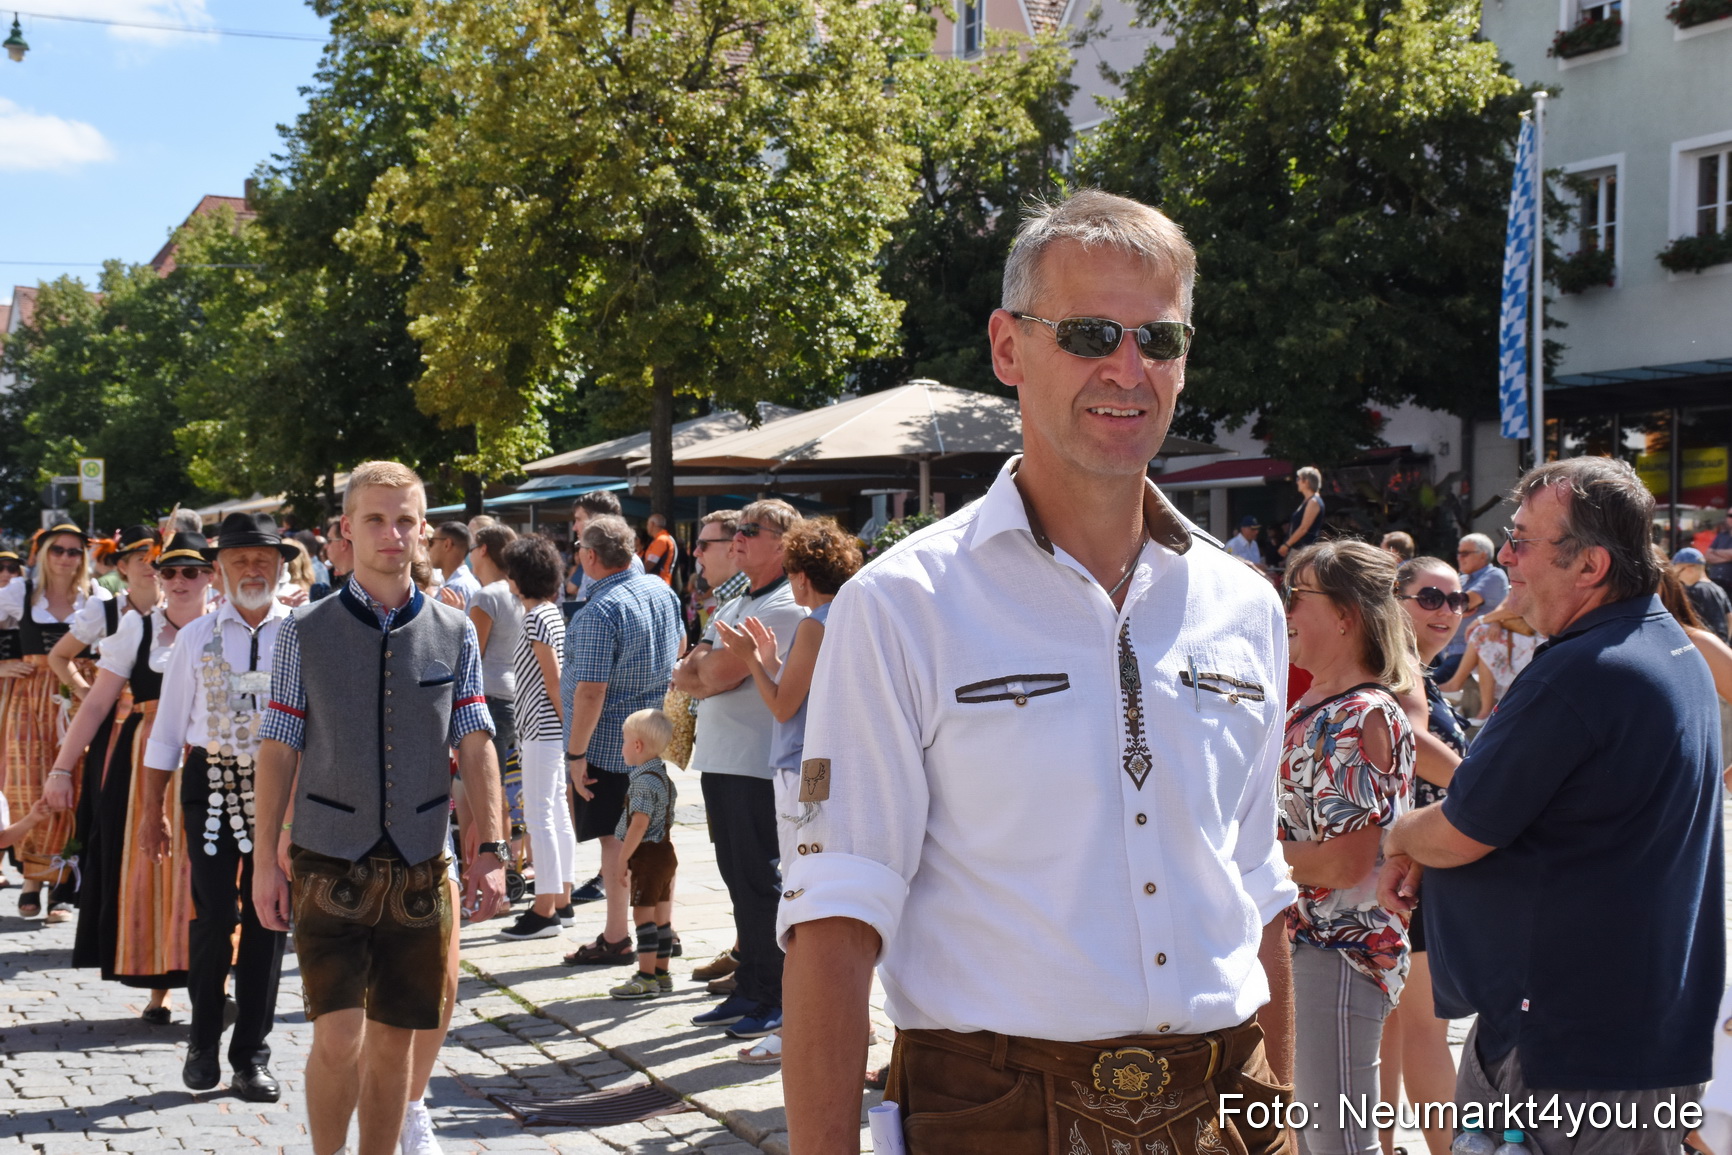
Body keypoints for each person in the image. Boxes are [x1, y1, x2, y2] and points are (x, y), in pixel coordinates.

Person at [780, 190, 1296, 1155]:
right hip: (999, 1111)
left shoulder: (1246, 604)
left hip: (1234, 1104)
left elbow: (1259, 885)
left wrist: (1290, 1108)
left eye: (1161, 337)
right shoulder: (903, 604)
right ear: (1008, 348)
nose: (1129, 368)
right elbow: (835, 918)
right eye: (1092, 332)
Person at [1378, 457, 1722, 1155]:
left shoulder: (1583, 671)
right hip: (1625, 1034)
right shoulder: (1667, 647)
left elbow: (1460, 827)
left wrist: (1400, 838)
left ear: (1590, 565)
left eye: (1523, 539)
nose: (1506, 557)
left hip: (1572, 1054)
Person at [251, 460, 507, 1155]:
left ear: (424, 530)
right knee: (339, 1039)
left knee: (394, 1046)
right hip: (328, 854)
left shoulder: (455, 632)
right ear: (347, 529)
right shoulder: (303, 632)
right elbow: (277, 745)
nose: (391, 533)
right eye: (375, 519)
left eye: (405, 520)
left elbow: (476, 739)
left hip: (422, 861)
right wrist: (262, 859)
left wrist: (493, 849)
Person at [137, 512, 295, 1101]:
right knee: (213, 917)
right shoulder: (197, 638)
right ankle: (203, 1041)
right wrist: (152, 811)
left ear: (280, 565)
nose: (252, 568)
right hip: (211, 779)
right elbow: (166, 733)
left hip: (279, 783)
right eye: (239, 559)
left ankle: (251, 1055)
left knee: (269, 916)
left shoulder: (302, 633)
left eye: (263, 558)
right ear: (220, 569)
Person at [1279, 540, 1417, 1155]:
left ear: (1344, 615)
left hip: (1338, 952)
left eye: (1296, 596)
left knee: (1337, 1143)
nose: (1285, 612)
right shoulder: (1316, 705)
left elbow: (1345, 863)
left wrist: (1232, 858)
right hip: (1307, 949)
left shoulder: (1361, 715)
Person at [712, 516, 862, 1065]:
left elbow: (781, 706)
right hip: (822, 764)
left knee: (802, 887)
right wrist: (770, 662)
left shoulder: (815, 625)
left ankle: (796, 1017)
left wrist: (753, 662)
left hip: (802, 770)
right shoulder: (845, 619)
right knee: (816, 879)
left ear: (800, 576)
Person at [48, 532, 211, 1024]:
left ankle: (215, 982)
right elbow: (97, 703)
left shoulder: (228, 628)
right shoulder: (136, 630)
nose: (179, 581)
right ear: (158, 577)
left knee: (216, 871)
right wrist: (60, 768)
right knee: (153, 870)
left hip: (213, 756)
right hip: (146, 755)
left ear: (210, 575)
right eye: (169, 572)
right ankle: (158, 988)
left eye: (191, 571)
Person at [671, 499, 807, 1041]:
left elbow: (716, 673)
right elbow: (689, 670)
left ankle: (774, 994)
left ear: (784, 541)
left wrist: (702, 667)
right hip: (725, 760)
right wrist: (700, 667)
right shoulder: (736, 604)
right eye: (740, 530)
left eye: (754, 530)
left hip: (756, 764)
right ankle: (750, 985)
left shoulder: (779, 607)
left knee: (758, 881)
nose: (740, 539)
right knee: (736, 879)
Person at [558, 514, 685, 966]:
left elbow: (591, 691)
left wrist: (575, 754)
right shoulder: (661, 591)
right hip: (651, 736)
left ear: (590, 557)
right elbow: (680, 647)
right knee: (652, 839)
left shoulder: (600, 610)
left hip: (609, 745)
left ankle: (618, 937)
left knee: (618, 845)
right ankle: (662, 931)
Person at [1381, 557, 1470, 1155]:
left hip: (1395, 869)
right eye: (1431, 598)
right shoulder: (1403, 671)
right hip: (1415, 871)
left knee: (1389, 1032)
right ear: (1395, 601)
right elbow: (1411, 739)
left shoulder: (1406, 668)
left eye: (1459, 600)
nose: (1448, 611)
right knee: (1424, 1030)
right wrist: (1480, 786)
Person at [0, 522, 112, 922]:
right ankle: (32, 877)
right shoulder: (19, 593)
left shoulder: (97, 596)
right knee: (26, 784)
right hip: (29, 697)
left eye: (74, 551)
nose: (66, 558)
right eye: (58, 550)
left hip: (81, 692)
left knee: (76, 784)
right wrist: (3, 665)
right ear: (42, 553)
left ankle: (61, 884)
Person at [498, 534, 579, 940]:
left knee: (540, 816)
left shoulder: (534, 618)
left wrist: (570, 732)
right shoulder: (549, 614)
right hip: (549, 729)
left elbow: (553, 682)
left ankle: (545, 907)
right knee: (556, 814)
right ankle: (560, 900)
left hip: (542, 729)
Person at [606, 709, 680, 1000]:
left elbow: (640, 821)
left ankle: (646, 977)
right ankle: (662, 973)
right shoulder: (662, 777)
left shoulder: (640, 782)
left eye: (624, 740)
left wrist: (624, 857)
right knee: (662, 918)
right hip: (666, 852)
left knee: (642, 916)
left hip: (647, 856)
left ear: (637, 745)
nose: (622, 747)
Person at [1433, 532, 1507, 686]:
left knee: (1428, 686)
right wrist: (1457, 608)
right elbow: (1448, 605)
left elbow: (1463, 602)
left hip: (1468, 651)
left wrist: (1458, 606)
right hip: (1445, 649)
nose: (1459, 557)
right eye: (1458, 553)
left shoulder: (1494, 575)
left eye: (1465, 553)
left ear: (1482, 555)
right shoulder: (1462, 578)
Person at [1673, 546, 1731, 640]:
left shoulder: (1693, 591)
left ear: (1689, 569)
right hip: (1720, 647)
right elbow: (1729, 617)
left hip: (1705, 650)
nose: (1676, 575)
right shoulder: (1718, 589)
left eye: (1677, 569)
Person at [429, 522, 480, 610]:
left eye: (431, 542)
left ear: (447, 544)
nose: (428, 548)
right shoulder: (459, 584)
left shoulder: (457, 588)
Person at [1278, 466, 1325, 558]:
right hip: (1300, 549)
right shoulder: (1307, 501)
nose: (1297, 482)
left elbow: (1303, 528)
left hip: (1304, 551)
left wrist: (1286, 545)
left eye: (1298, 479)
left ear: (1306, 481)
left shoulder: (1313, 502)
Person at [641, 513, 679, 586]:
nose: (647, 527)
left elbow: (650, 564)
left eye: (647, 524)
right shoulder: (665, 538)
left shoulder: (661, 540)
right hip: (661, 582)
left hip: (657, 583)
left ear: (652, 524)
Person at [1704, 509, 1732, 600]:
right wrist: (1728, 556)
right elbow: (1708, 555)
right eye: (1729, 516)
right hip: (1715, 579)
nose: (1730, 518)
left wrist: (1716, 552)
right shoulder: (1721, 535)